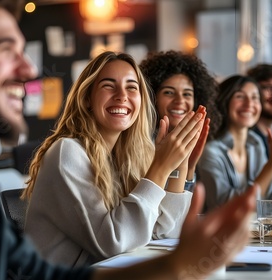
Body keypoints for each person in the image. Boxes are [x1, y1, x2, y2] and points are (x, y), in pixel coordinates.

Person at [0, 0, 258, 279]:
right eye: (5, 50)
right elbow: (112, 243)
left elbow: (46, 276)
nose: (28, 70)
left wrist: (178, 264)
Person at [22, 51, 203, 267]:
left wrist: (180, 161)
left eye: (131, 87)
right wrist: (160, 167)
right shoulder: (67, 152)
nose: (122, 95)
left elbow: (163, 233)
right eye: (109, 85)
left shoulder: (128, 156)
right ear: (87, 98)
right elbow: (113, 242)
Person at [198, 75, 272, 210]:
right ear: (224, 102)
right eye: (240, 96)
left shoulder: (255, 144)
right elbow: (226, 207)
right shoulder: (210, 151)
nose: (249, 104)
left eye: (255, 98)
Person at [139, 50, 220, 191]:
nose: (180, 101)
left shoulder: (191, 143)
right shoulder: (140, 141)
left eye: (187, 94)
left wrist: (189, 167)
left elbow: (179, 209)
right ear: (152, 96)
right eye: (169, 92)